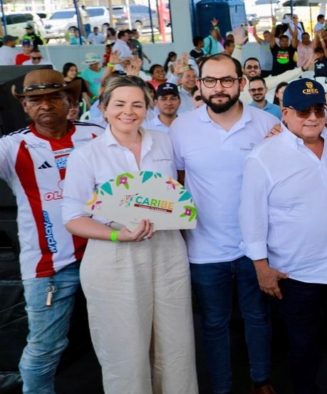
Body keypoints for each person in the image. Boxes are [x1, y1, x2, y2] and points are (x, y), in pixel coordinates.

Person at [62, 75, 198, 394]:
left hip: (167, 253)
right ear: (104, 109)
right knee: (125, 353)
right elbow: (72, 217)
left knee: (177, 347)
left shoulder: (164, 142)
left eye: (138, 104)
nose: (129, 111)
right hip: (112, 258)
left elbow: (181, 186)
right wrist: (117, 235)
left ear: (148, 109)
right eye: (119, 104)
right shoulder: (87, 155)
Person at [239, 78, 327, 394]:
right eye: (303, 111)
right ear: (285, 112)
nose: (312, 117)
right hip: (296, 274)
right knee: (303, 347)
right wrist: (261, 268)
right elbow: (251, 217)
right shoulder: (263, 156)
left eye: (318, 109)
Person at [170, 54, 280, 394]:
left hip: (255, 246)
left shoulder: (265, 124)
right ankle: (221, 386)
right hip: (203, 247)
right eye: (211, 81)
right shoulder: (181, 128)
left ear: (241, 83)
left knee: (258, 318)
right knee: (214, 324)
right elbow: (177, 182)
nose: (219, 88)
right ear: (198, 84)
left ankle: (262, 381)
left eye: (227, 80)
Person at [0, 70, 101, 394]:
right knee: (45, 349)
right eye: (35, 100)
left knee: (122, 339)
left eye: (53, 97)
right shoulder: (12, 147)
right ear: (25, 106)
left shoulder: (96, 135)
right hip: (49, 266)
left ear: (69, 100)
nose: (45, 105)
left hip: (104, 255)